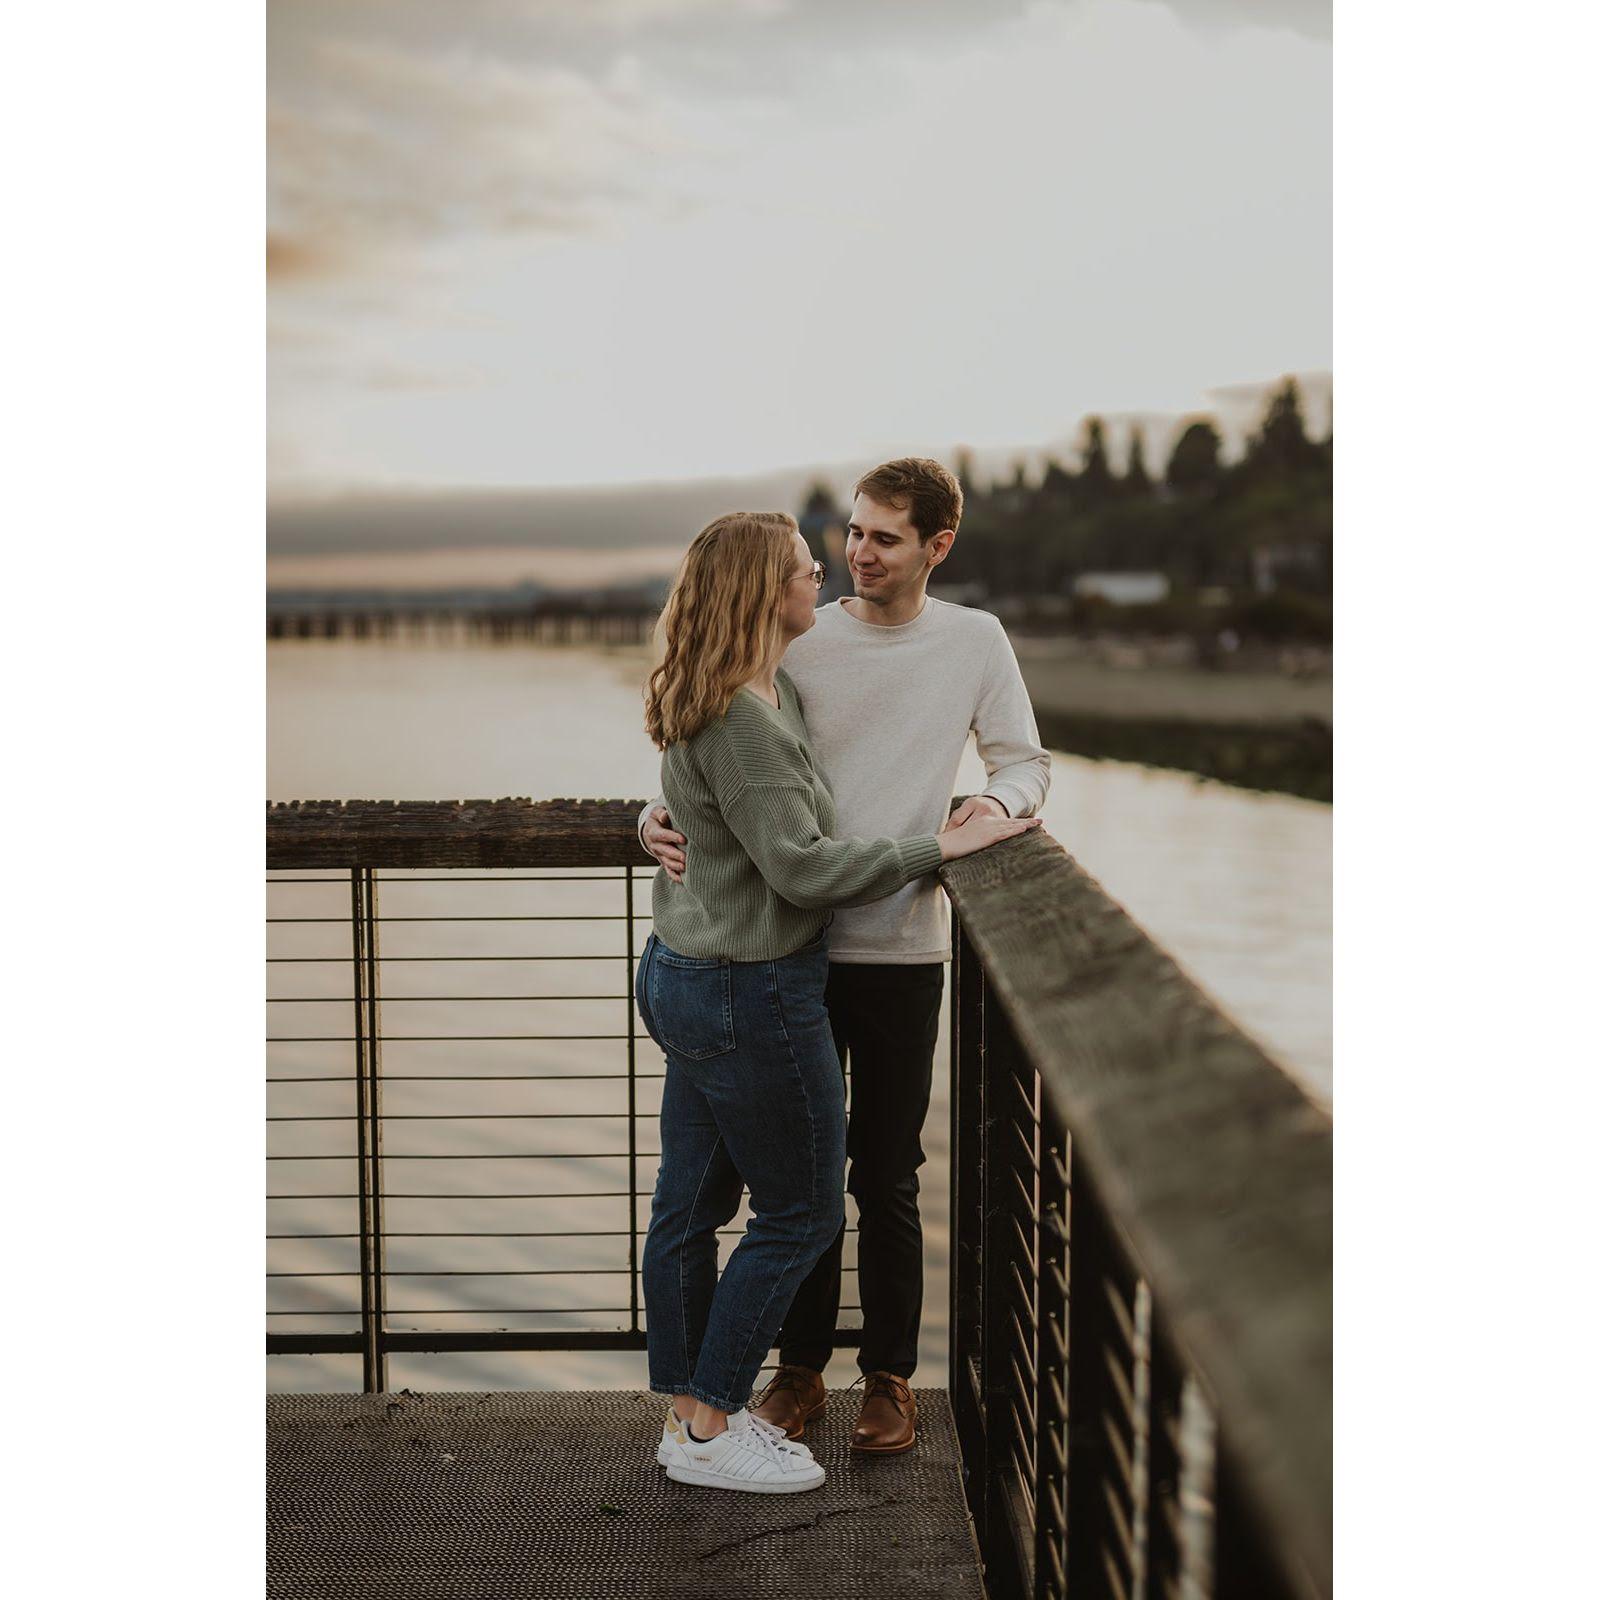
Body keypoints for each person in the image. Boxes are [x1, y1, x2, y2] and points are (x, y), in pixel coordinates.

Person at [641, 459, 1050, 1455]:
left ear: (937, 545)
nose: (857, 555)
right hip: (793, 954)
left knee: (885, 1173)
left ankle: (888, 1379)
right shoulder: (803, 638)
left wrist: (995, 810)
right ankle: (793, 1371)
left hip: (901, 948)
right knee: (794, 1182)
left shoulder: (972, 640)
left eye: (883, 538)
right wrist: (643, 814)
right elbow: (713, 747)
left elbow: (1023, 758)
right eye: (852, 534)